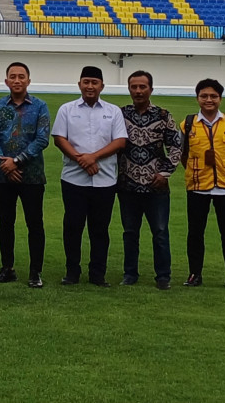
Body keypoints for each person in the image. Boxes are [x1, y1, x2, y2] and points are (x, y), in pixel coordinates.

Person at [51, 65, 127, 286]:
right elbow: (59, 139)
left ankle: (97, 274)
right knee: (73, 227)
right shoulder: (67, 109)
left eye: (94, 82)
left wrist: (92, 158)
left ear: (102, 86)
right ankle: (72, 272)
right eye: (86, 82)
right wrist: (81, 160)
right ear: (79, 84)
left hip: (105, 180)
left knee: (100, 229)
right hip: (73, 179)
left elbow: (119, 141)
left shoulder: (113, 111)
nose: (90, 86)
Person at [0, 62, 52, 287]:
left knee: (35, 223)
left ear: (28, 81)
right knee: (5, 222)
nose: (17, 80)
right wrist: (5, 163)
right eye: (12, 76)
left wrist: (17, 161)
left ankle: (35, 272)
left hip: (31, 176)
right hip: (3, 176)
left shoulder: (40, 107)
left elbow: (42, 139)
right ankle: (7, 268)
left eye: (21, 76)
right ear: (6, 81)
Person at [117, 70, 183, 290]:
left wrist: (165, 174)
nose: (138, 91)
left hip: (156, 186)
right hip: (128, 185)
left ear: (151, 89)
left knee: (160, 232)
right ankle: (130, 273)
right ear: (129, 89)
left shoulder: (163, 116)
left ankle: (163, 276)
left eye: (142, 87)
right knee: (130, 233)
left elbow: (176, 146)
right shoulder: (121, 114)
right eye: (134, 87)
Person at [181, 78, 225, 291]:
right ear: (197, 98)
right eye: (204, 96)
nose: (209, 100)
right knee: (195, 233)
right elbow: (183, 154)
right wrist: (195, 172)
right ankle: (194, 274)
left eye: (213, 96)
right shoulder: (188, 124)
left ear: (220, 98)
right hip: (197, 186)